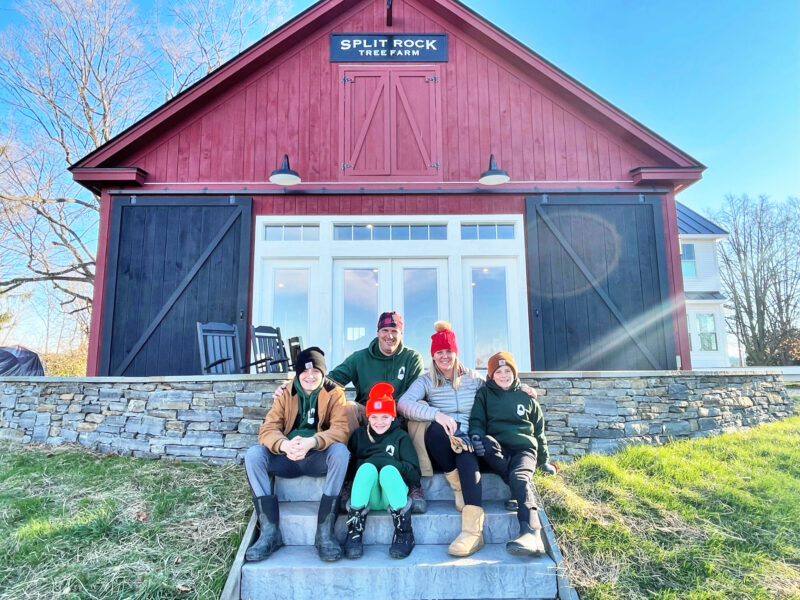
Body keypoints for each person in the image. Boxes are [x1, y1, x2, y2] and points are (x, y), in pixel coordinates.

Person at [273, 311, 429, 513]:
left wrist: (389, 411)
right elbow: (329, 380)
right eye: (385, 331)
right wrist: (293, 383)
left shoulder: (412, 358)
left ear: (401, 333)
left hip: (399, 411)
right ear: (378, 332)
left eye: (394, 331)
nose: (389, 336)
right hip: (367, 411)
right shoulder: (360, 358)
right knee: (346, 407)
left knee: (421, 408)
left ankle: (416, 483)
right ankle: (347, 478)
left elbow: (412, 394)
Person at [244, 346, 350, 562]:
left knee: (340, 451)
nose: (310, 376)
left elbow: (341, 430)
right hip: (288, 457)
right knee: (254, 455)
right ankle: (269, 533)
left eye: (316, 372)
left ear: (323, 373)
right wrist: (284, 445)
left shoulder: (335, 393)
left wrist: (313, 441)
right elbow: (267, 429)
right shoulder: (285, 393)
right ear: (297, 373)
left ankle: (325, 534)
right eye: (304, 372)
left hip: (316, 456)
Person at [396, 320, 486, 557]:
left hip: (469, 439)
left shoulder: (473, 378)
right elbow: (403, 404)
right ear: (433, 356)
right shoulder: (426, 380)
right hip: (443, 443)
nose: (444, 356)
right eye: (439, 352)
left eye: (448, 351)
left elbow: (498, 391)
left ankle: (473, 532)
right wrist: (437, 414)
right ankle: (457, 488)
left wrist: (522, 388)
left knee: (466, 452)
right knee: (434, 429)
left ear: (455, 353)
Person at [468, 351, 557, 557]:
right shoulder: (484, 394)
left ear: (514, 373)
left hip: (523, 449)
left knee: (519, 477)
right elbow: (477, 422)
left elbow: (538, 430)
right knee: (486, 443)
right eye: (498, 372)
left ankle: (532, 534)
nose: (504, 375)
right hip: (498, 449)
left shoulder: (526, 397)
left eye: (508, 371)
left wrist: (544, 461)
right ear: (491, 375)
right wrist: (476, 437)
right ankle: (518, 492)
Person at [344, 382, 420, 560]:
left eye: (385, 417)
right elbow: (350, 468)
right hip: (366, 496)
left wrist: (390, 463)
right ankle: (354, 531)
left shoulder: (400, 437)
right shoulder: (359, 436)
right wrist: (371, 462)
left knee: (388, 471)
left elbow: (414, 473)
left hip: (392, 496)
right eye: (375, 417)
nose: (379, 422)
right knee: (366, 469)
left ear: (393, 417)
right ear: (368, 416)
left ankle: (404, 532)